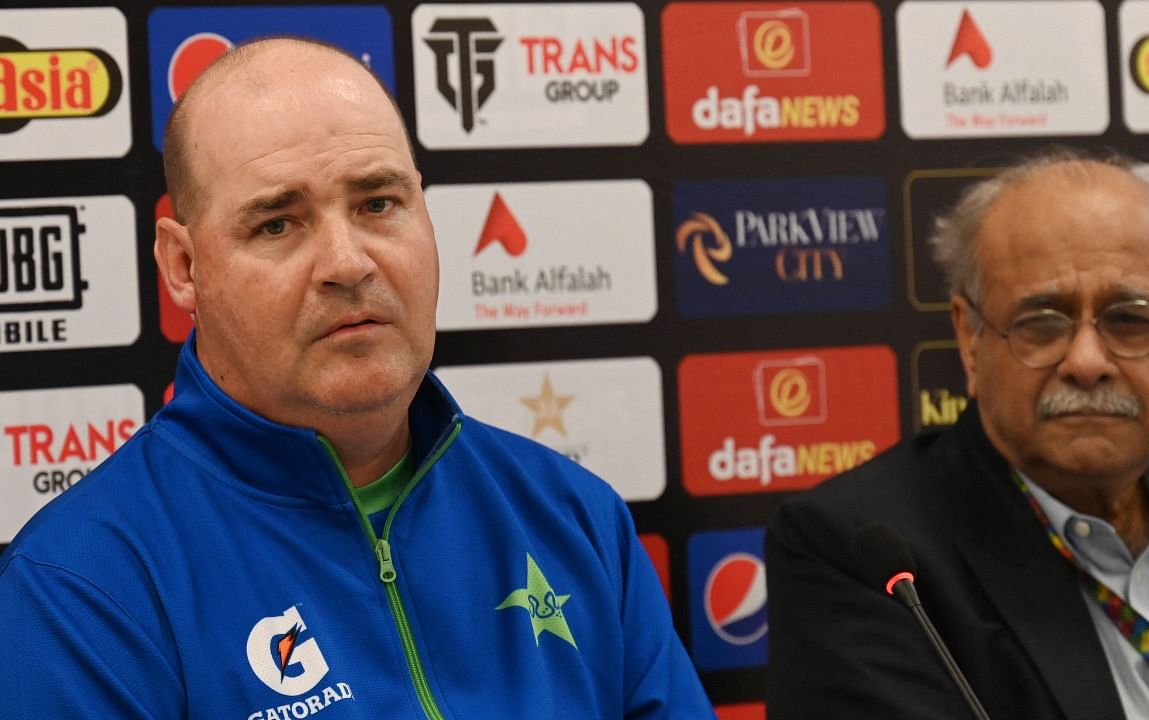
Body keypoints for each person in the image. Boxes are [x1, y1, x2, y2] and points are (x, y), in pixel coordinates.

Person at [0, 37, 714, 720]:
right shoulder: (81, 587)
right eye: (278, 224)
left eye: (378, 204)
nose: (348, 263)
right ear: (184, 268)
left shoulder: (574, 515)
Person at [767, 149, 1149, 719]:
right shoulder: (865, 554)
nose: (1087, 361)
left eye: (1129, 319)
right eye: (1042, 321)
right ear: (969, 339)